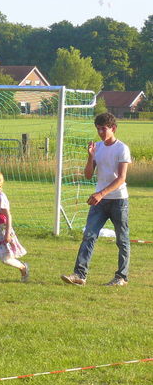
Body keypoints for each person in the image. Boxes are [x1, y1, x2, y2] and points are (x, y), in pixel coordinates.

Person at [61, 112, 131, 287]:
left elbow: (121, 178)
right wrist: (91, 156)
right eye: (98, 129)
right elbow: (88, 175)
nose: (100, 132)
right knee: (89, 235)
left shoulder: (122, 148)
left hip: (118, 200)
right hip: (99, 201)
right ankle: (79, 275)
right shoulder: (97, 147)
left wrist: (101, 193)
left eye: (104, 129)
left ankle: (121, 277)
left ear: (113, 128)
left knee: (122, 240)